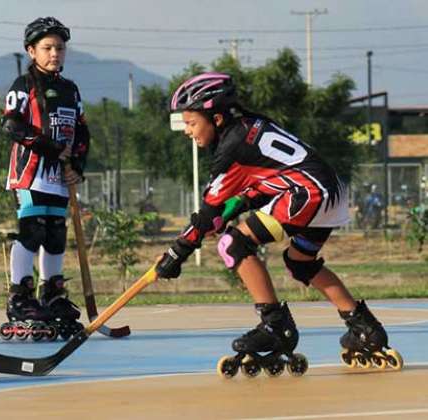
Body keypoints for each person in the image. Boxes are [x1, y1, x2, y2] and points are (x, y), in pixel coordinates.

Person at [155, 72, 402, 377]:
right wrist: (235, 207)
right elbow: (262, 183)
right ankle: (365, 329)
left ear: (216, 118)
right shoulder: (251, 125)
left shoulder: (232, 147)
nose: (186, 131)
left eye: (191, 123)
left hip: (305, 196)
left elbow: (208, 213)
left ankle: (274, 325)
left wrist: (176, 253)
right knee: (301, 263)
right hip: (329, 193)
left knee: (232, 243)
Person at [0, 17, 90, 341]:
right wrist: (51, 148)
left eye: (60, 48)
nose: (55, 53)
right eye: (47, 48)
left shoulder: (70, 90)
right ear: (31, 50)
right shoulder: (23, 85)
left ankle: (52, 293)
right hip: (31, 173)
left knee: (54, 235)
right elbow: (11, 126)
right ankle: (20, 297)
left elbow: (81, 131)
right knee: (32, 230)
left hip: (59, 177)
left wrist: (77, 163)